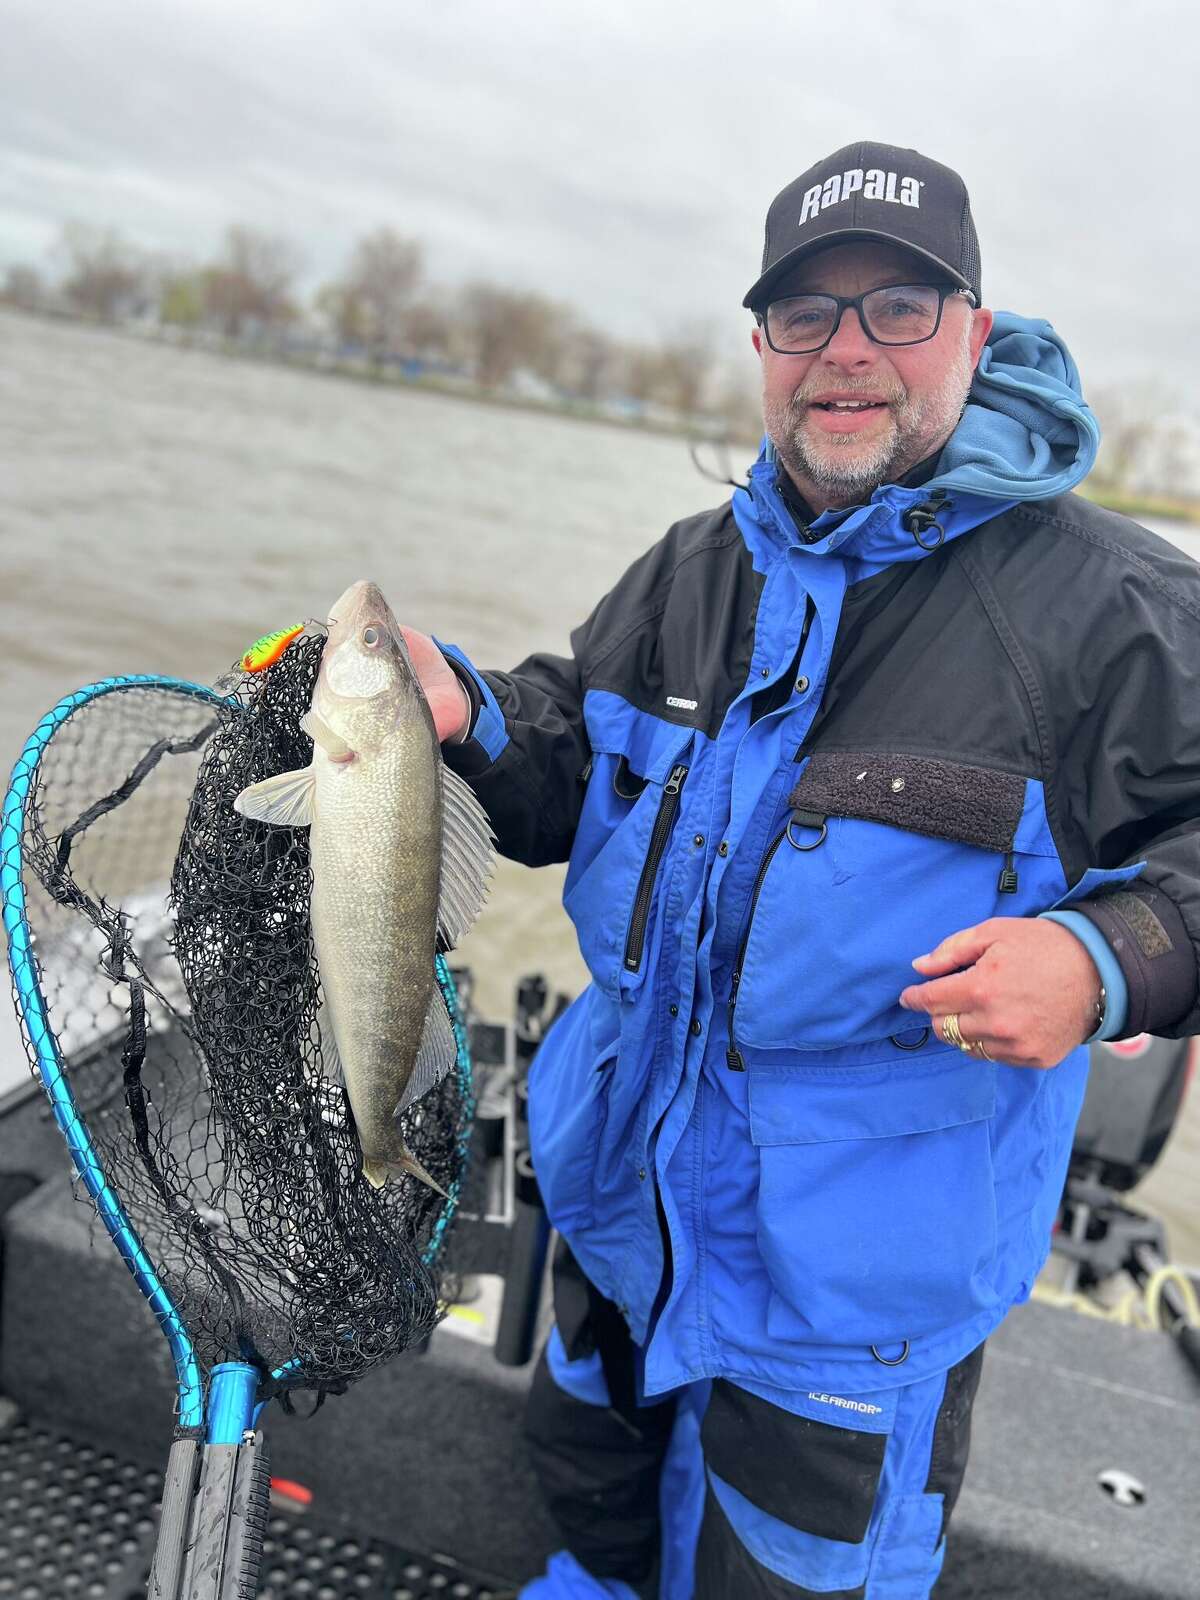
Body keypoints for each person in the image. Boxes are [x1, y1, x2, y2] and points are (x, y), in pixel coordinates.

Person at [399, 142, 1200, 1598]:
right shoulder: (688, 568)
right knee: (590, 1499)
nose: (847, 354)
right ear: (761, 344)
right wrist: (469, 713)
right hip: (619, 1200)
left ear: (975, 325)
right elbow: (574, 761)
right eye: (804, 315)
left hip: (853, 1288)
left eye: (896, 308)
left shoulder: (1117, 610)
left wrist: (1106, 958)